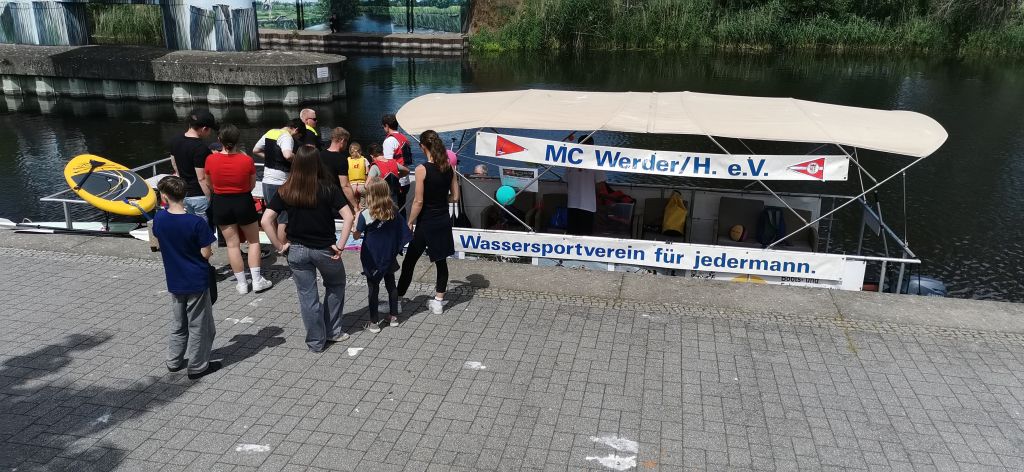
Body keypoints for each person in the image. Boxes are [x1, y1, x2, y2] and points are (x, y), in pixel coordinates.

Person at [261, 145, 355, 353]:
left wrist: (279, 246)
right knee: (336, 285)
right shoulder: (328, 188)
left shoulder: (286, 189)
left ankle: (315, 341)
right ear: (317, 163)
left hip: (297, 249)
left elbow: (266, 220)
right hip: (325, 248)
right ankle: (333, 331)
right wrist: (341, 245)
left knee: (307, 296)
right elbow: (348, 216)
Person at [152, 175, 221, 380]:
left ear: (164, 196)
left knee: (178, 322)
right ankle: (198, 366)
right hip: (196, 279)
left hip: (174, 279)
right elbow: (206, 253)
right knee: (199, 325)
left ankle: (174, 360)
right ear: (185, 195)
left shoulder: (160, 218)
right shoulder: (196, 222)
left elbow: (159, 239)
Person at [203, 125, 273, 295]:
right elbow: (252, 184)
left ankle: (242, 284)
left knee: (232, 245)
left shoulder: (210, 159)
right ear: (237, 140)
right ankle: (257, 280)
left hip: (221, 202)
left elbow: (209, 183)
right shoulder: (246, 160)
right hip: (243, 201)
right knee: (254, 242)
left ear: (219, 140)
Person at [397, 130, 459, 315]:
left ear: (422, 146)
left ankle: (397, 300)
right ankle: (438, 302)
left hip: (426, 222)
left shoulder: (422, 169)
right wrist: (441, 200)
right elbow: (455, 197)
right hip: (442, 220)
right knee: (441, 261)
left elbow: (418, 201)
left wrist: (410, 221)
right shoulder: (449, 167)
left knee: (410, 261)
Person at [354, 179, 408, 333]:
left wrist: (356, 220)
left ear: (370, 195)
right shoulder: (393, 210)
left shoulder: (366, 214)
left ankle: (374, 322)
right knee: (391, 285)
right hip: (388, 254)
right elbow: (401, 231)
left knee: (373, 288)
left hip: (372, 256)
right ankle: (393, 317)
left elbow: (356, 235)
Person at [253, 119, 302, 243]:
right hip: (281, 182)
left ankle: (276, 245)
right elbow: (287, 155)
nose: (296, 138)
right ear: (296, 129)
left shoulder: (270, 132)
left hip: (266, 180)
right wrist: (300, 160)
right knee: (283, 217)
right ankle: (283, 246)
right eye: (298, 136)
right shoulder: (286, 137)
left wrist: (271, 158)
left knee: (272, 215)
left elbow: (255, 150)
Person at [168, 109, 218, 219]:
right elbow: (201, 178)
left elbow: (174, 163)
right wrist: (210, 198)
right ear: (204, 129)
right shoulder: (201, 148)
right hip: (199, 195)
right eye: (210, 130)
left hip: (184, 193)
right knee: (204, 226)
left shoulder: (175, 140)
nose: (210, 133)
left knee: (192, 223)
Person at [566, 135, 606, 236]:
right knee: (585, 236)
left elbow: (566, 180)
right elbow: (600, 185)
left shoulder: (570, 160)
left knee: (572, 235)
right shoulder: (596, 161)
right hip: (588, 205)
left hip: (572, 203)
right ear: (592, 146)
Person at [319, 127, 359, 213]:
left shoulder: (319, 155)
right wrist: (355, 205)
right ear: (342, 140)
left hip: (320, 198)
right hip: (336, 200)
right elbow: (345, 186)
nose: (346, 144)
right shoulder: (341, 159)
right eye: (346, 141)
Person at [382, 114, 412, 214]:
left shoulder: (389, 141)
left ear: (387, 126)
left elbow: (389, 164)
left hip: (396, 182)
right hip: (406, 181)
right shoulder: (404, 138)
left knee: (393, 212)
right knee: (402, 209)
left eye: (383, 127)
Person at [366, 143, 409, 207]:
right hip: (393, 196)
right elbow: (407, 171)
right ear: (382, 152)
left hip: (381, 199)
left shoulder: (375, 167)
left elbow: (367, 185)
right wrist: (398, 176)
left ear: (372, 156)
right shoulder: (394, 163)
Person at [346, 142, 371, 210]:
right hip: (362, 186)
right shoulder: (364, 160)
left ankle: (355, 213)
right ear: (360, 151)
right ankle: (361, 213)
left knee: (353, 206)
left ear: (350, 151)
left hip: (352, 186)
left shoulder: (347, 161)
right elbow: (368, 173)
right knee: (363, 207)